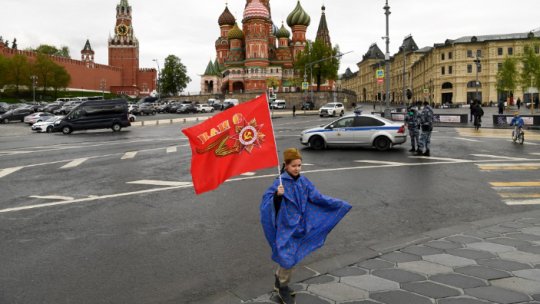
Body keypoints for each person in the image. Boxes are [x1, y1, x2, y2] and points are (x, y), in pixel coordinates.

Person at [260, 148, 351, 304]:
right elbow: (266, 206)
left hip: (300, 226)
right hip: (285, 228)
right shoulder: (279, 183)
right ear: (286, 165)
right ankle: (282, 287)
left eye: (299, 165)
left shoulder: (304, 182)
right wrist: (277, 196)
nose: (297, 169)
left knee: (291, 258)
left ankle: (279, 280)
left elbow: (318, 198)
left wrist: (338, 204)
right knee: (287, 258)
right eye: (293, 166)